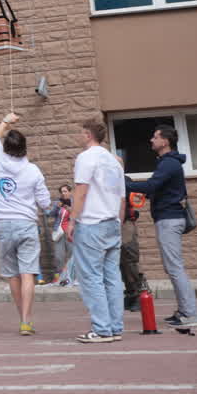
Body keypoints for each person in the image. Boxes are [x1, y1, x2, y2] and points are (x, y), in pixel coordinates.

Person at [125, 123, 197, 330]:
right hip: (167, 219)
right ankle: (184, 311)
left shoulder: (169, 163)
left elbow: (151, 185)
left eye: (155, 137)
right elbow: (154, 190)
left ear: (165, 141)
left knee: (174, 267)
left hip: (169, 219)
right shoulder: (167, 163)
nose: (152, 140)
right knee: (172, 267)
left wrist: (123, 183)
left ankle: (190, 314)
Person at [0, 112, 51, 335]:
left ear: (5, 148)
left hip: (3, 223)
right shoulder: (33, 170)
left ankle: (22, 318)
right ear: (25, 148)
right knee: (27, 273)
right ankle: (26, 320)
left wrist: (6, 120)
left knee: (12, 274)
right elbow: (45, 203)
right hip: (26, 224)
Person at [70, 117, 126, 344]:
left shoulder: (86, 157)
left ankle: (102, 329)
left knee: (91, 278)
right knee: (112, 277)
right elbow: (122, 198)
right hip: (112, 221)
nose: (79, 136)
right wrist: (119, 222)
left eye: (81, 132)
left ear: (88, 135)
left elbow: (81, 191)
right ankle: (115, 327)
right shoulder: (115, 161)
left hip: (92, 223)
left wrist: (72, 220)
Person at [120, 191, 148, 311]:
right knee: (120, 262)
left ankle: (139, 295)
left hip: (125, 222)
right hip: (110, 223)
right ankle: (131, 294)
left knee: (130, 259)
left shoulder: (122, 182)